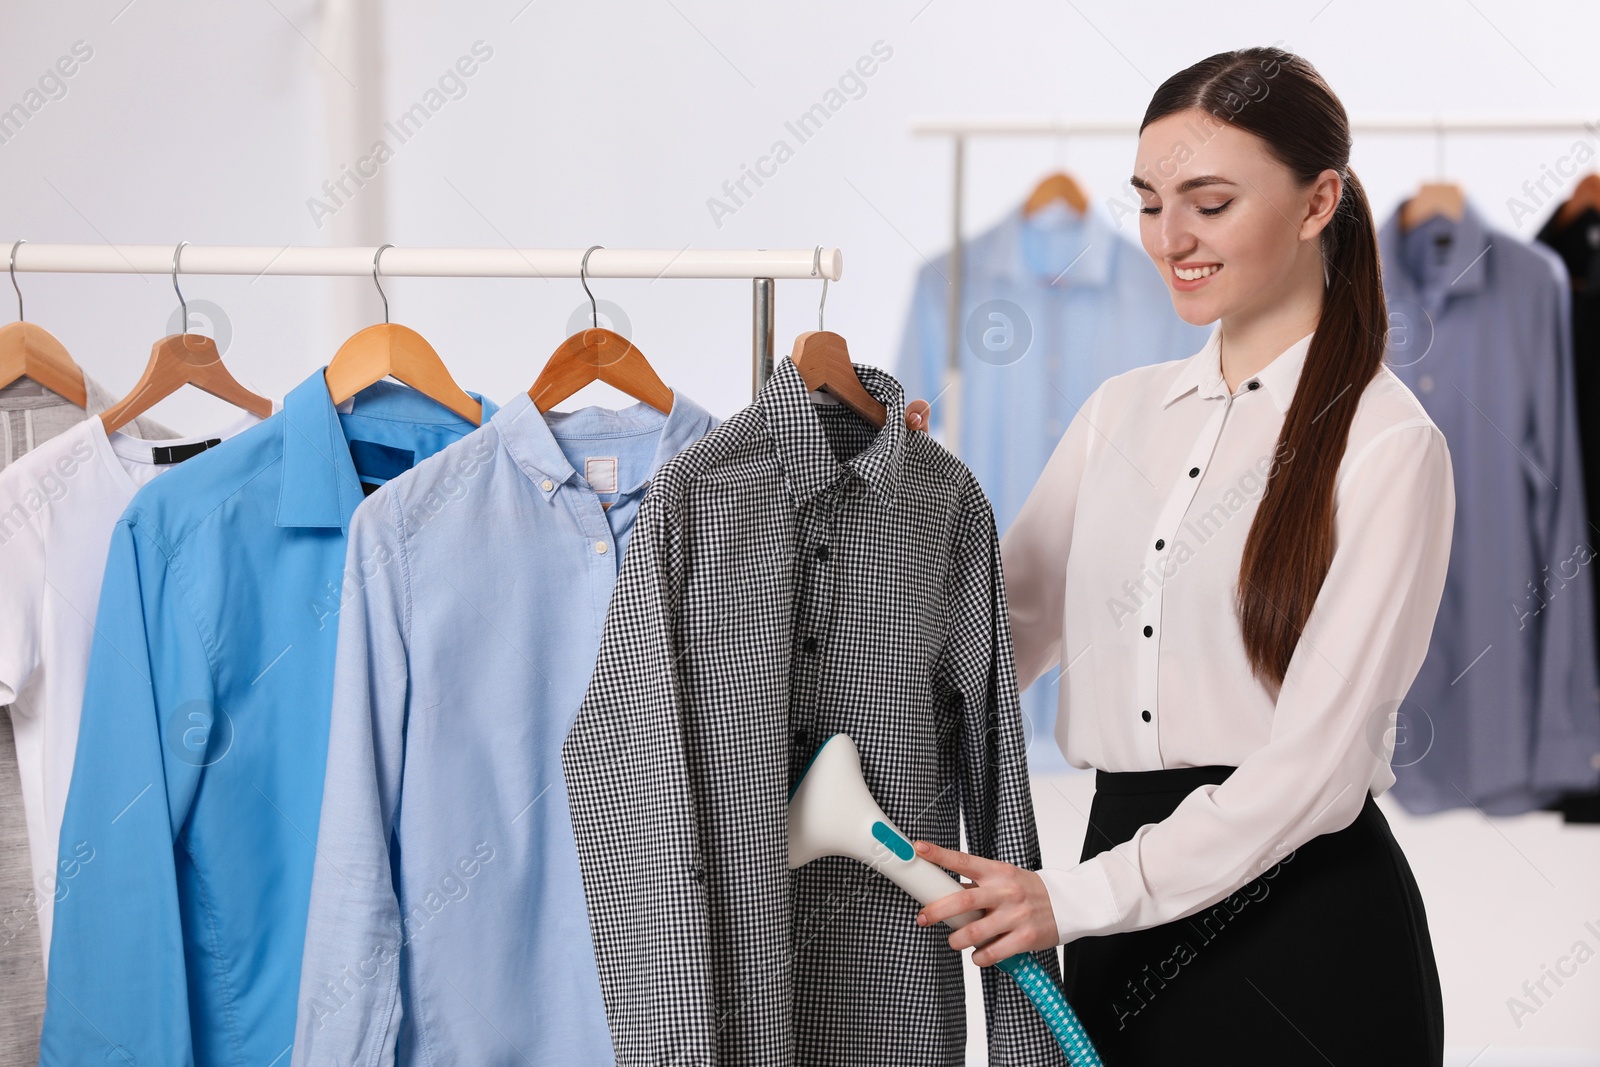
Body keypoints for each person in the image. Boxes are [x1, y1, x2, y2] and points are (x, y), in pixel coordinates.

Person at [907, 47, 1451, 1063]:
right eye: (1150, 203)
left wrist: (1071, 896)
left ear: (1314, 201)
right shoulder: (1121, 411)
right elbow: (992, 641)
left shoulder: (1388, 443)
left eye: (1207, 201)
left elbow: (1315, 767)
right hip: (1116, 927)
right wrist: (891, 498)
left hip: (1308, 935)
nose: (1170, 238)